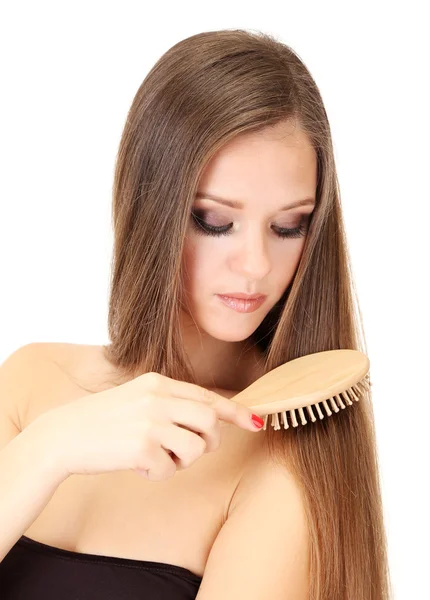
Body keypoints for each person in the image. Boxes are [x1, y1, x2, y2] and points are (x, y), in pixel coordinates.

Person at [0, 29, 391, 599]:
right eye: (214, 220)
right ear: (149, 208)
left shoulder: (281, 463)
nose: (256, 264)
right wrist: (48, 450)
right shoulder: (31, 384)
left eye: (289, 226)